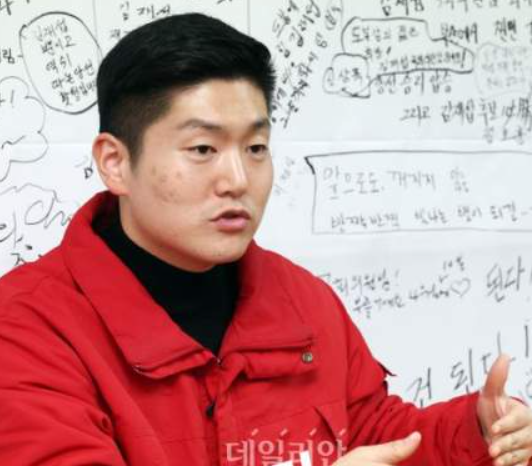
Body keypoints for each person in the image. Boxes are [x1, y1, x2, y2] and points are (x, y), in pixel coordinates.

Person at [0, 12, 530, 466]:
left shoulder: (302, 299)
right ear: (115, 162)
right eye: (203, 149)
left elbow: (371, 433)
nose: (237, 179)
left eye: (255, 148)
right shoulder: (26, 328)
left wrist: (479, 434)